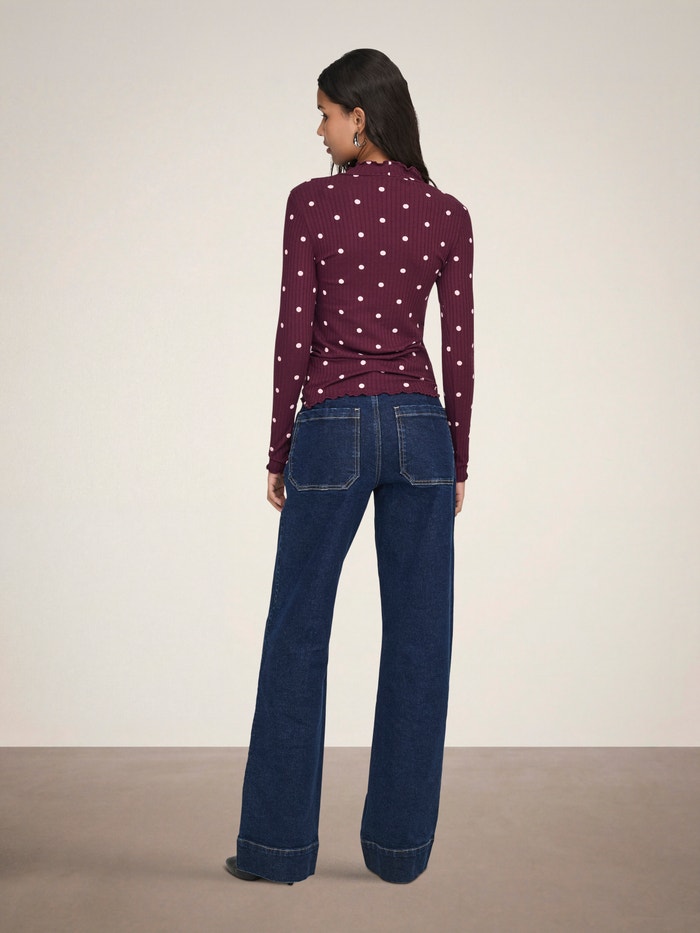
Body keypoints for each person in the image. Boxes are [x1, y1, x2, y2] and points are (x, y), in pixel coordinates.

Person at [225, 48, 475, 886]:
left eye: (326, 113)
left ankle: (276, 849)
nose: (320, 129)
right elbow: (460, 348)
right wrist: (459, 453)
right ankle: (400, 853)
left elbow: (293, 330)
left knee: (297, 632)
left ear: (359, 118)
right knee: (420, 638)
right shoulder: (447, 214)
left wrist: (278, 446)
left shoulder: (311, 204)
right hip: (420, 429)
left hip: (331, 426)